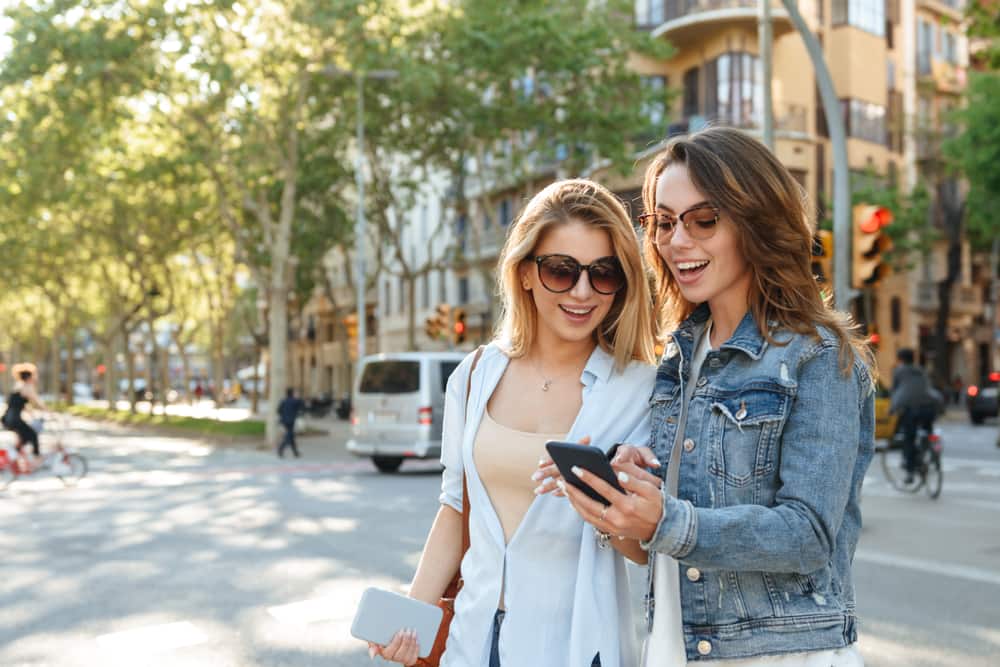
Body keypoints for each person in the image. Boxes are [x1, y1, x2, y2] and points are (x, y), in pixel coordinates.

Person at [546, 128, 875, 665]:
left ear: (756, 223)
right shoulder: (676, 359)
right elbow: (670, 534)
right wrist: (626, 493)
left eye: (704, 221)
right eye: (665, 222)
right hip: (675, 649)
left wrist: (666, 520)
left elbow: (808, 533)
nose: (677, 241)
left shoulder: (816, 358)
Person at [368, 179, 658, 667]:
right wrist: (413, 612)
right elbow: (454, 508)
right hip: (471, 640)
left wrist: (598, 502)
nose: (583, 292)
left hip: (575, 646)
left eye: (603, 273)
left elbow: (648, 549)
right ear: (525, 273)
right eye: (562, 271)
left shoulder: (640, 389)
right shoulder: (475, 374)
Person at [890, 348, 941, 483]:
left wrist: (892, 409)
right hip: (929, 408)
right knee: (927, 432)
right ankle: (929, 451)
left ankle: (910, 472)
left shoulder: (900, 371)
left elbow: (896, 392)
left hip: (912, 410)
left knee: (909, 439)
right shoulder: (921, 370)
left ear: (900, 359)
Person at [2, 363, 47, 466]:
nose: (35, 378)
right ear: (29, 377)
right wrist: (51, 413)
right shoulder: (27, 387)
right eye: (33, 376)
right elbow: (38, 402)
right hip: (14, 419)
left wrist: (33, 416)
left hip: (7, 419)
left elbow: (22, 405)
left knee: (24, 437)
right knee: (33, 435)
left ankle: (14, 456)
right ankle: (36, 460)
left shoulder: (18, 386)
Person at [277, 388, 305, 458]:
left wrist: (283, 416)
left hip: (284, 421)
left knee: (291, 436)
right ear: (292, 393)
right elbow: (302, 405)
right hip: (291, 421)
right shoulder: (295, 401)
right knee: (289, 436)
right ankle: (281, 448)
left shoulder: (283, 401)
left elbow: (278, 410)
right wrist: (299, 397)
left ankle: (295, 453)